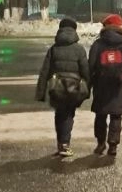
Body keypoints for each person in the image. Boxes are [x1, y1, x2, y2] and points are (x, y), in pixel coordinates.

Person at [35, 17, 90, 157]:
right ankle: (65, 144)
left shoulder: (53, 49)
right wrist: (88, 89)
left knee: (59, 114)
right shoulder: (79, 49)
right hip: (73, 88)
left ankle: (61, 143)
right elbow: (86, 71)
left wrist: (41, 92)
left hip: (56, 88)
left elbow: (45, 71)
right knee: (68, 115)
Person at [88, 13, 122, 157]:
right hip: (119, 86)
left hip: (101, 85)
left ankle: (100, 143)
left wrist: (89, 84)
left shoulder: (97, 45)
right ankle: (113, 144)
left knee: (100, 115)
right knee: (116, 116)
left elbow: (90, 66)